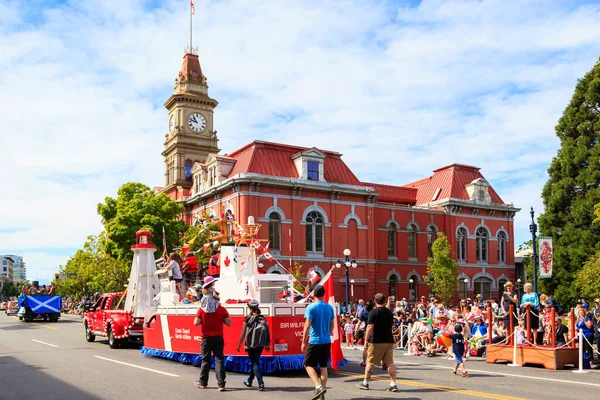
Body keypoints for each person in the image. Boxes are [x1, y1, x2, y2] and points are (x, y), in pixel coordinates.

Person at [357, 293, 399, 392]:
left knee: (370, 362)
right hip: (388, 340)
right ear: (385, 301)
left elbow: (370, 327)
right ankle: (393, 384)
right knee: (389, 363)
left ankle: (365, 383)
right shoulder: (389, 312)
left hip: (376, 340)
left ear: (375, 301)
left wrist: (366, 340)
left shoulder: (373, 313)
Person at [300, 284, 335, 400]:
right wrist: (327, 333)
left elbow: (307, 324)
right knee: (323, 366)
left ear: (314, 294)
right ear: (323, 294)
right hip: (326, 341)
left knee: (307, 364)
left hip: (314, 340)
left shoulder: (311, 307)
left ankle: (318, 386)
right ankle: (322, 394)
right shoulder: (329, 307)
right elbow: (332, 325)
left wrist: (303, 341)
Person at [194, 290, 232, 391]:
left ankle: (203, 382)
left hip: (206, 338)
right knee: (219, 360)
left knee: (206, 360)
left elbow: (196, 323)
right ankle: (221, 384)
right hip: (218, 337)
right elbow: (229, 323)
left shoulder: (202, 309)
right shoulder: (221, 309)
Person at [237, 300, 270, 391]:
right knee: (255, 361)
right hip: (260, 344)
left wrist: (239, 344)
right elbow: (267, 331)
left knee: (255, 362)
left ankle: (261, 383)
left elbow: (243, 333)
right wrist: (267, 343)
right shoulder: (262, 318)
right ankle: (250, 380)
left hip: (250, 344)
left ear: (250, 308)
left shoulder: (247, 319)